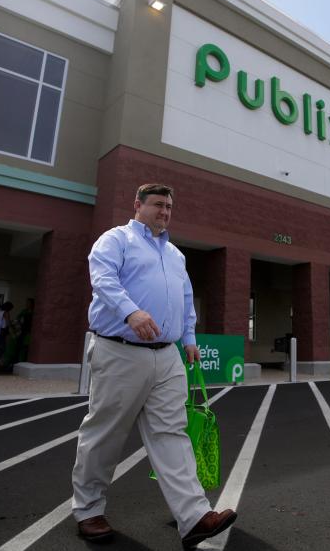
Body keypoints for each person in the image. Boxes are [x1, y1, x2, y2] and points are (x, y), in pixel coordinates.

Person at [71, 183, 236, 547]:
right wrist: (131, 313)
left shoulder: (176, 255)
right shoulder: (115, 240)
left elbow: (186, 298)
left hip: (168, 355)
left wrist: (190, 339)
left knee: (172, 433)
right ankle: (88, 510)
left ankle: (194, 517)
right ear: (138, 205)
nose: (164, 212)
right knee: (105, 433)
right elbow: (103, 281)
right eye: (158, 205)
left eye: (169, 207)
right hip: (119, 350)